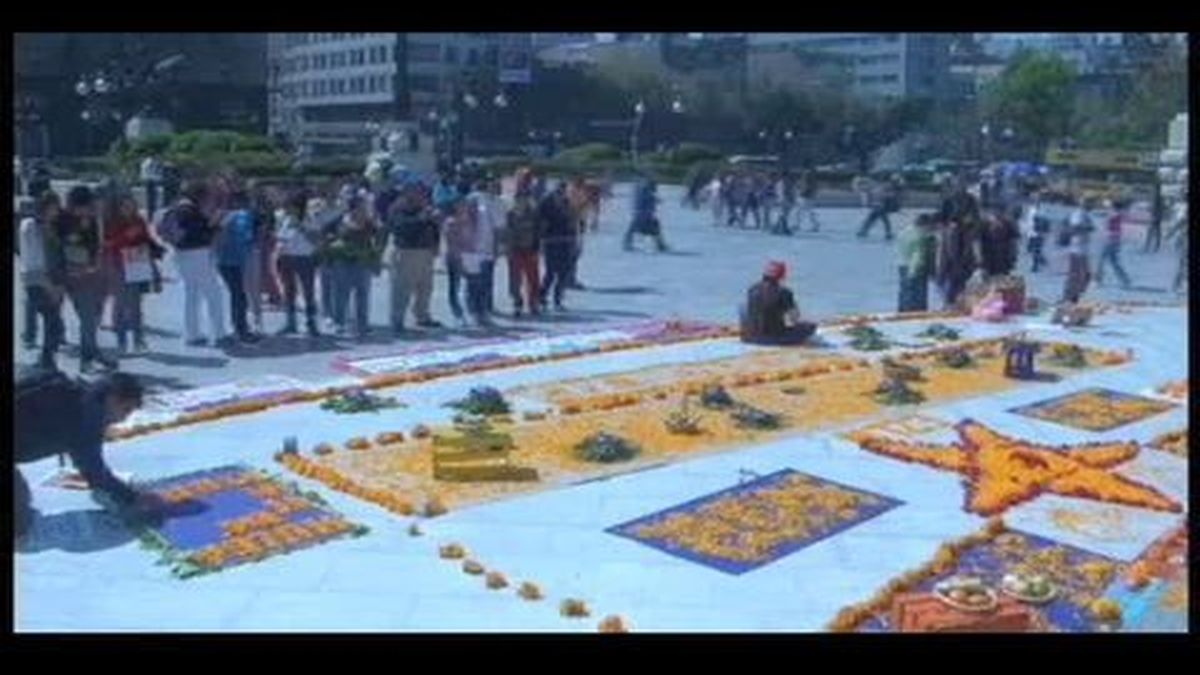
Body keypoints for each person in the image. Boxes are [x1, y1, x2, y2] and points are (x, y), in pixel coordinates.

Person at [14, 368, 162, 541]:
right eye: (126, 410)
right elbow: (94, 471)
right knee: (20, 525)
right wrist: (130, 497)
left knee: (22, 501)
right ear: (112, 399)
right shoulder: (88, 418)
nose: (124, 419)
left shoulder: (80, 392)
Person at [55, 186, 117, 372]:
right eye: (88, 205)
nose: (92, 208)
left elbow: (95, 244)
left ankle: (92, 351)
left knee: (92, 316)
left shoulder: (92, 219)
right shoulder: (62, 221)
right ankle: (86, 358)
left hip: (92, 273)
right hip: (71, 275)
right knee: (86, 316)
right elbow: (59, 248)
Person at [160, 181, 227, 348]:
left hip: (181, 254)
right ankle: (219, 334)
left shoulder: (177, 208)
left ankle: (192, 333)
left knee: (191, 294)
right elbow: (200, 235)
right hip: (198, 254)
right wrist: (215, 225)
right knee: (213, 294)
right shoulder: (191, 211)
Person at [105, 194, 164, 355]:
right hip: (120, 265)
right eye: (125, 206)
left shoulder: (139, 220)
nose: (129, 209)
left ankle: (138, 341)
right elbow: (108, 243)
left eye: (131, 206)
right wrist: (126, 236)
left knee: (136, 305)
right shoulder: (114, 222)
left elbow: (146, 240)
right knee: (121, 305)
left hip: (138, 263)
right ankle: (121, 342)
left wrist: (155, 254)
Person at [385, 183, 444, 333]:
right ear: (407, 193)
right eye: (418, 192)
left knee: (425, 287)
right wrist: (420, 218)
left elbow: (433, 227)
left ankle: (422, 316)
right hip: (406, 252)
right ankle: (397, 320)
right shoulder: (398, 208)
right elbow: (399, 228)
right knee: (402, 288)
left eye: (423, 193)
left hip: (426, 252)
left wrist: (436, 243)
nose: (421, 196)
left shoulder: (425, 208)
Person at [19, 192, 67, 370]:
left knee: (53, 323)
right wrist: (50, 286)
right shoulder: (30, 226)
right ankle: (45, 360)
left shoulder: (51, 227)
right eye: (54, 207)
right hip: (36, 280)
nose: (57, 211)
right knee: (53, 321)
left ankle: (48, 360)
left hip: (53, 279)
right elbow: (33, 259)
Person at [326, 196, 380, 339]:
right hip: (342, 262)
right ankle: (340, 323)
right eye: (361, 206)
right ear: (353, 207)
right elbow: (327, 233)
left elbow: (378, 235)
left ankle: (362, 324)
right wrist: (333, 242)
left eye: (364, 207)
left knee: (362, 294)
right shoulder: (340, 220)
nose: (363, 209)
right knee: (341, 294)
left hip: (362, 262)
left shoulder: (368, 222)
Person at [213, 191, 260, 344]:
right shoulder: (243, 215)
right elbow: (245, 235)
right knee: (240, 296)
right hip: (235, 260)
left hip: (222, 259)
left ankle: (239, 328)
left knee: (236, 294)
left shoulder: (224, 215)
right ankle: (241, 330)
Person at [274, 192, 321, 337]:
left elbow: (316, 240)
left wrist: (301, 227)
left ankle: (311, 322)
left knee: (308, 291)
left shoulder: (310, 218)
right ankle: (291, 322)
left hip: (305, 258)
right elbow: (280, 236)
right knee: (289, 291)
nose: (287, 209)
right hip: (287, 256)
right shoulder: (285, 219)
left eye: (291, 206)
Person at [740, 260, 817, 346]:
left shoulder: (752, 289)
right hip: (773, 339)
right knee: (810, 326)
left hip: (749, 337)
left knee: (743, 307)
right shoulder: (784, 292)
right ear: (782, 276)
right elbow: (794, 319)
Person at [504, 185, 541, 317]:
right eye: (520, 198)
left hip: (530, 249)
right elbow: (507, 233)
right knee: (515, 280)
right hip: (515, 250)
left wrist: (537, 249)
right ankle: (517, 303)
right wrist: (507, 249)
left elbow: (538, 232)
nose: (522, 201)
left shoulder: (533, 213)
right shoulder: (510, 214)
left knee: (533, 279)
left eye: (525, 198)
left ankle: (533, 303)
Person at [539, 180, 576, 311]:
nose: (561, 193)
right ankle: (542, 297)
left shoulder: (566, 202)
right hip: (551, 241)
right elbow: (541, 224)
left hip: (565, 241)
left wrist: (573, 240)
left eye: (563, 190)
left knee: (563, 273)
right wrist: (541, 242)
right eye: (559, 190)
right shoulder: (546, 203)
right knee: (550, 273)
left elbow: (572, 222)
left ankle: (558, 300)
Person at [896, 214, 937, 312]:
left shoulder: (903, 232)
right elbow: (918, 256)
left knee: (904, 291)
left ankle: (902, 310)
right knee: (919, 294)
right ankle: (918, 311)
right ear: (925, 225)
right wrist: (914, 271)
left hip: (902, 265)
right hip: (917, 268)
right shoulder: (921, 237)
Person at [1061, 197, 1097, 304]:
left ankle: (1074, 296)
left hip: (1083, 249)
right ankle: (1069, 297)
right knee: (1076, 275)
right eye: (1091, 203)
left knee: (1085, 275)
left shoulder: (1085, 214)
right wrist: (1088, 227)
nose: (1093, 206)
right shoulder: (1078, 214)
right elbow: (1074, 228)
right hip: (1076, 249)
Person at [1095, 198, 1133, 289]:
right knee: (1114, 262)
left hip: (1110, 240)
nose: (1110, 207)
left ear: (1114, 207)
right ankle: (1125, 280)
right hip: (1115, 240)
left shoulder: (1114, 215)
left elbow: (1107, 224)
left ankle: (1098, 280)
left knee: (1101, 260)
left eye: (1112, 206)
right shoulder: (1117, 215)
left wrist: (1107, 216)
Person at [624, 178, 669, 252]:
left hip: (640, 218)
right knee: (654, 226)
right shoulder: (647, 195)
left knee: (634, 227)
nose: (656, 189)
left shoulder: (643, 193)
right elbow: (650, 200)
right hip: (644, 219)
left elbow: (639, 192)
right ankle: (660, 244)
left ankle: (627, 242)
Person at [979, 205, 1021, 279]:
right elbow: (978, 241)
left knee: (1001, 283)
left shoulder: (1008, 224)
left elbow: (1014, 241)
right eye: (992, 213)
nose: (995, 214)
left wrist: (1012, 259)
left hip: (1003, 260)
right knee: (987, 283)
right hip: (988, 259)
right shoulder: (984, 224)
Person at [857, 176, 900, 240]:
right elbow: (889, 196)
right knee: (885, 221)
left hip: (876, 207)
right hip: (880, 207)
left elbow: (872, 195)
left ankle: (863, 231)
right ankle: (888, 233)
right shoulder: (884, 187)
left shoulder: (877, 187)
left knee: (871, 219)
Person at [1023, 191, 1050, 273]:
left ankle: (1035, 266)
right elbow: (1028, 220)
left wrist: (1043, 231)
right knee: (1031, 249)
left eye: (1035, 199)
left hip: (1038, 233)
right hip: (1031, 232)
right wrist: (1025, 230)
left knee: (1036, 249)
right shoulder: (1030, 208)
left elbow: (1045, 222)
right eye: (1032, 198)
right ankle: (1041, 259)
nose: (1033, 200)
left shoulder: (1042, 209)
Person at [1166, 196, 1188, 293]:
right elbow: (1178, 225)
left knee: (1182, 266)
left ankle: (1177, 285)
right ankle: (1177, 285)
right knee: (1182, 265)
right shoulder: (1185, 217)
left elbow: (1178, 225)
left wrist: (1170, 235)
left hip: (1185, 243)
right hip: (1185, 243)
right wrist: (1170, 235)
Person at [1145, 182, 1165, 253]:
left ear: (1156, 189)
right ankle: (1154, 246)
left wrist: (1155, 214)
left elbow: (1158, 207)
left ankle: (1150, 246)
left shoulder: (1158, 197)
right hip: (1156, 216)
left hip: (1156, 216)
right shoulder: (1158, 196)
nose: (1152, 189)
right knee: (1155, 231)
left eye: (1154, 188)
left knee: (1152, 231)